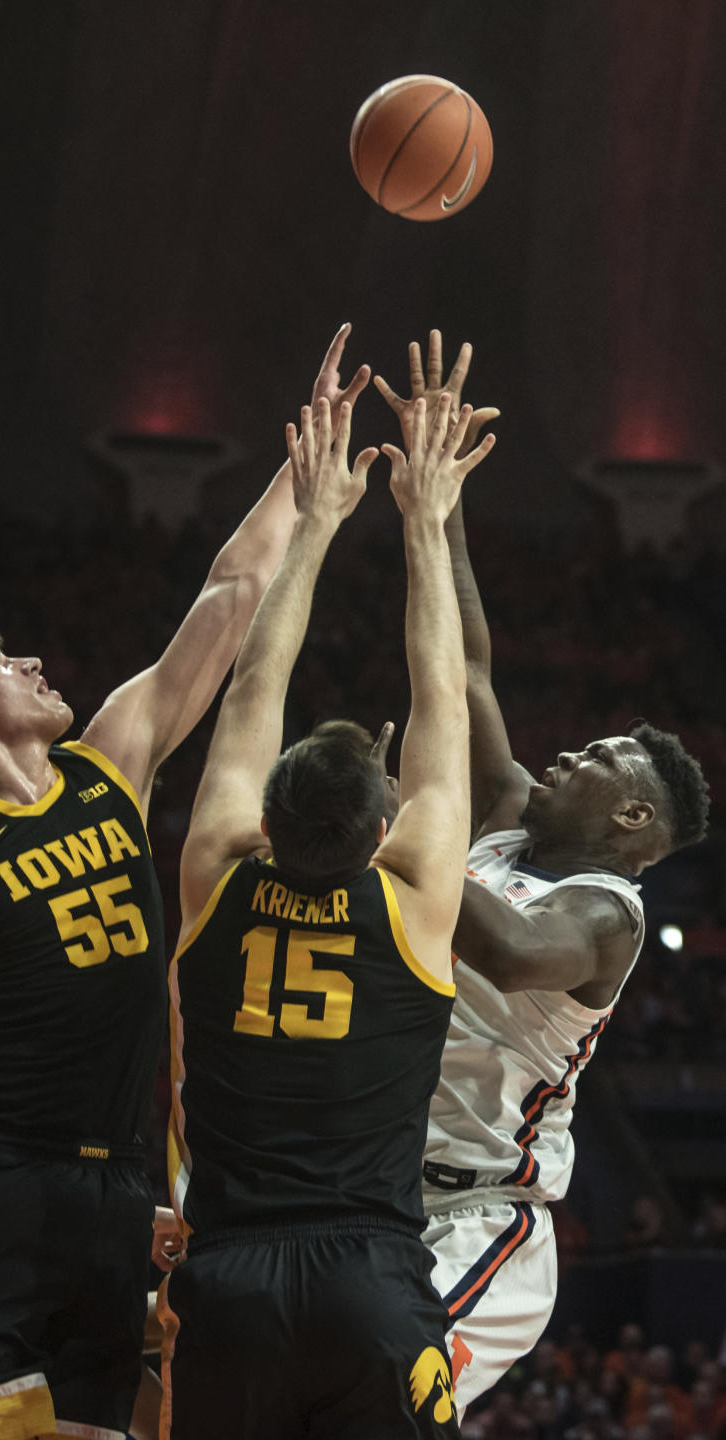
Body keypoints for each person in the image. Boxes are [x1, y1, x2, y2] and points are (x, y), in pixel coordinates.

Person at [0, 325, 373, 1440]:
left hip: (120, 1192)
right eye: (1, 662)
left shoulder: (107, 768)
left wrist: (301, 465)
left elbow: (229, 595)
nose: (33, 664)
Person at [375, 332, 711, 1422]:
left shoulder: (605, 919)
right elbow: (467, 667)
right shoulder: (517, 825)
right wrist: (441, 500)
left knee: (376, 1400)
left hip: (481, 1218)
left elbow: (510, 951)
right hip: (375, 1183)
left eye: (596, 759)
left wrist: (392, 825)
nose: (563, 755)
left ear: (630, 819)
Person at [159, 390, 497, 1440]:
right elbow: (446, 697)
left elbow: (255, 688)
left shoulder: (216, 870)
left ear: (266, 819)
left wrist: (313, 524)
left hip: (228, 1289)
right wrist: (427, 516)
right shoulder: (415, 900)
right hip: (372, 1280)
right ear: (385, 828)